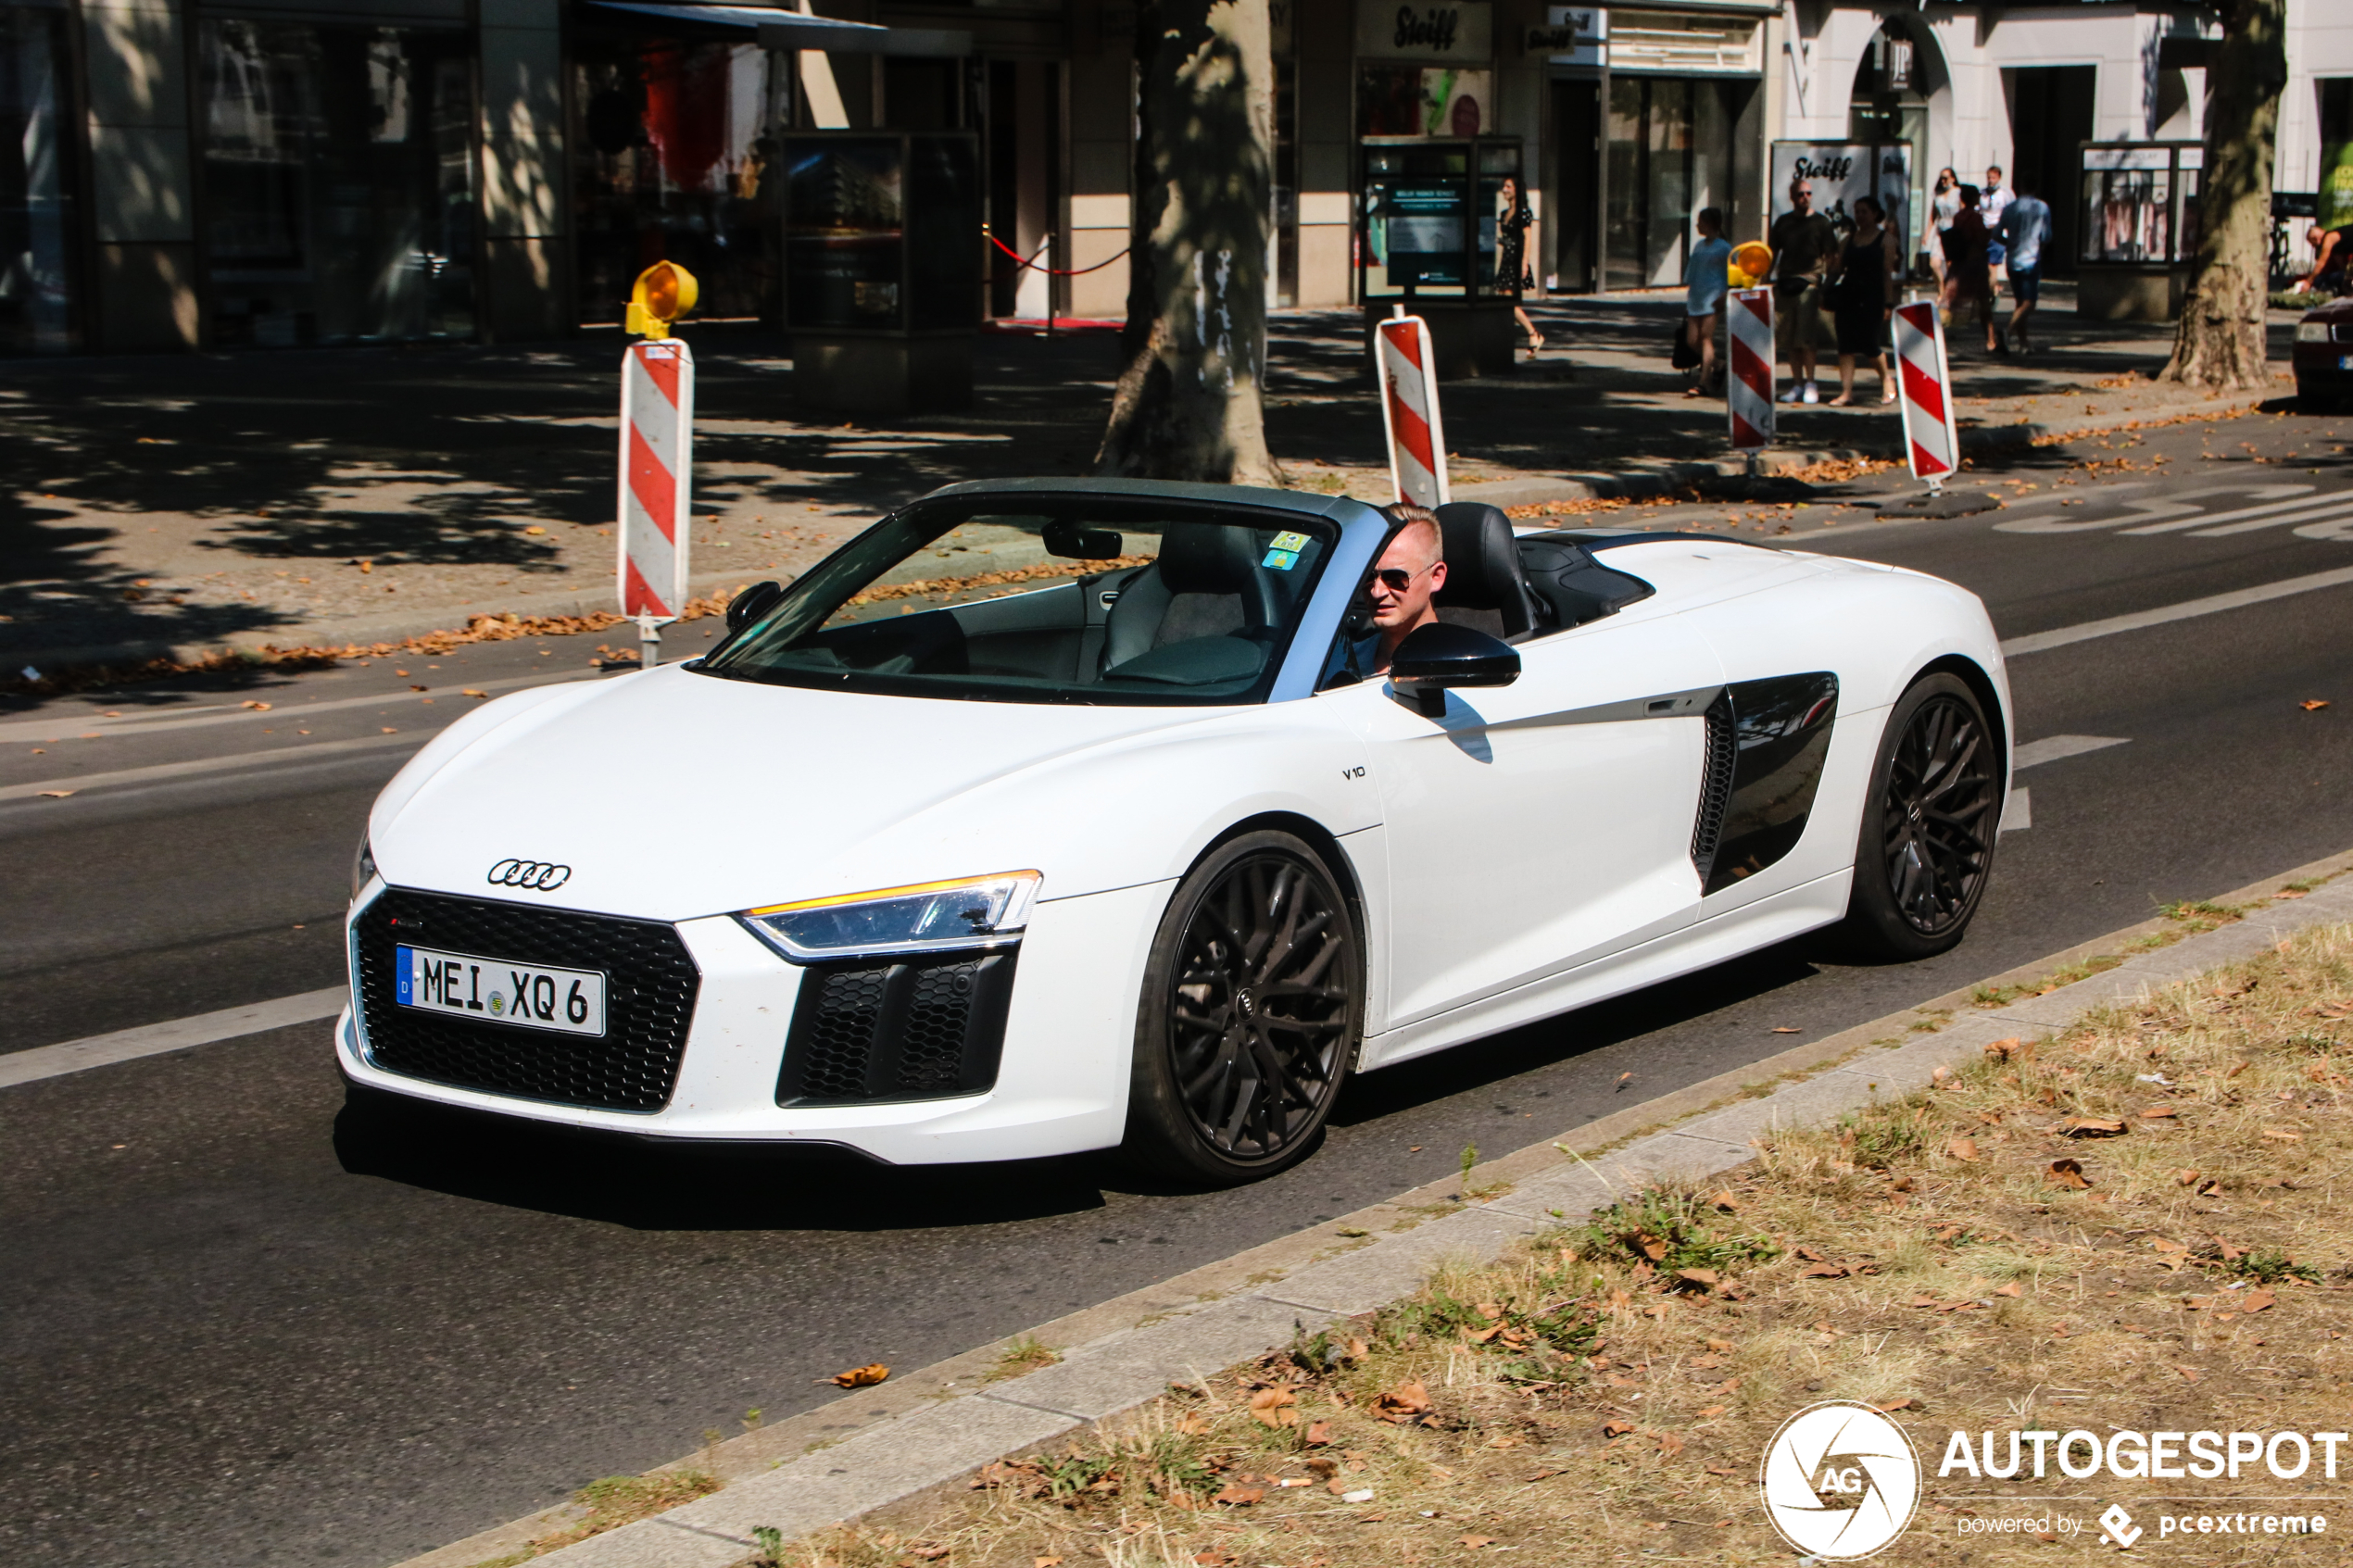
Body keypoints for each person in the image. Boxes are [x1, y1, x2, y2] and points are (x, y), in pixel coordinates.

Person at [1353, 505, 1449, 676]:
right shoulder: (1345, 664)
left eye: (1396, 578)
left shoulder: (1459, 666)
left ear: (1436, 577)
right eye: (1368, 576)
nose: (1377, 592)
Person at [1767, 178, 1838, 405]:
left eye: (1808, 193)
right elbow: (1772, 252)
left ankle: (1811, 382)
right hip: (1786, 282)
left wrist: (1826, 283)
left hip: (1809, 283)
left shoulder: (1821, 223)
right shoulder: (1783, 222)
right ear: (1792, 196)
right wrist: (1766, 280)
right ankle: (1797, 383)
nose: (1805, 198)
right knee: (1788, 338)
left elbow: (1831, 255)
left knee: (1807, 338)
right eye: (1800, 194)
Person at [1826, 194, 1900, 405]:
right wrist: (1825, 291)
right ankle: (1846, 392)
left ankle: (1886, 379)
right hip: (1848, 294)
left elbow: (1887, 274)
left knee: (1870, 344)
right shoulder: (1847, 239)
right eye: (1857, 212)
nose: (1860, 216)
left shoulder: (1886, 240)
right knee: (1846, 345)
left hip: (1872, 296)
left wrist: (1888, 304)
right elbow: (1837, 269)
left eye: (1864, 212)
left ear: (1875, 214)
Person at [1997, 178, 2054, 356]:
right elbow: (2046, 235)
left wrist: (2009, 243)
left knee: (2020, 302)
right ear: (2035, 188)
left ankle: (2024, 343)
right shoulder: (2041, 207)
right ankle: (2008, 331)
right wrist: (2041, 244)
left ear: (2021, 187)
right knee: (2030, 303)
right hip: (2031, 258)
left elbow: (1996, 233)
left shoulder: (2010, 208)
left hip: (2013, 258)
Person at [1683, 206, 1733, 397]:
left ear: (1710, 224)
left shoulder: (1724, 248)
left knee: (1706, 337)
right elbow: (1692, 272)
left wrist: (1726, 293)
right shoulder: (1699, 246)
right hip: (1697, 297)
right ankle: (1718, 364)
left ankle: (1703, 382)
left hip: (1714, 297)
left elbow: (1733, 272)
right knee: (1691, 340)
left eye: (1701, 222)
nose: (1697, 225)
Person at [1941, 183, 1997, 353]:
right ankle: (1990, 339)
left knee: (1951, 299)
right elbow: (1980, 239)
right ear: (1974, 198)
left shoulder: (1958, 216)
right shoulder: (1975, 217)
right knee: (1983, 301)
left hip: (1960, 262)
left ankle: (1941, 335)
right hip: (1975, 262)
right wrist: (1990, 232)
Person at [1494, 175, 1542, 357]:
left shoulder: (1524, 212)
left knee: (1508, 301)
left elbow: (1527, 238)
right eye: (1504, 186)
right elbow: (1506, 238)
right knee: (1503, 299)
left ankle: (1532, 332)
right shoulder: (1504, 213)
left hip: (1516, 259)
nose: (1504, 190)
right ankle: (1517, 336)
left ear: (1516, 190)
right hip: (1507, 258)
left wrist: (1524, 262)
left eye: (1508, 186)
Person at [2292, 220, 2351, 296]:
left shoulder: (2329, 238)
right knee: (2331, 277)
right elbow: (2342, 266)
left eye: (2313, 244)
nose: (2315, 247)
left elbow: (2322, 262)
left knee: (2329, 278)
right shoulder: (2337, 244)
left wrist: (2308, 282)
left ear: (2316, 239)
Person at [1981, 166, 2012, 300]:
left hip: (1998, 233)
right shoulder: (1982, 193)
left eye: (1993, 178)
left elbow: (2011, 213)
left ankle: (1991, 294)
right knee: (1985, 266)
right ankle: (1994, 288)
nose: (1990, 181)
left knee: (1991, 266)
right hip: (1983, 232)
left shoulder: (2005, 194)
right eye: (1988, 177)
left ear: (1999, 178)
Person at [1929, 168, 1960, 291]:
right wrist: (1927, 234)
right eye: (1941, 178)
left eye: (1945, 178)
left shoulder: (1958, 193)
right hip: (1940, 232)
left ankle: (1949, 292)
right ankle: (1941, 289)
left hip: (1953, 230)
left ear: (1953, 179)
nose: (1943, 181)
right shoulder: (1938, 194)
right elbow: (1933, 215)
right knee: (1934, 264)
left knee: (1950, 266)